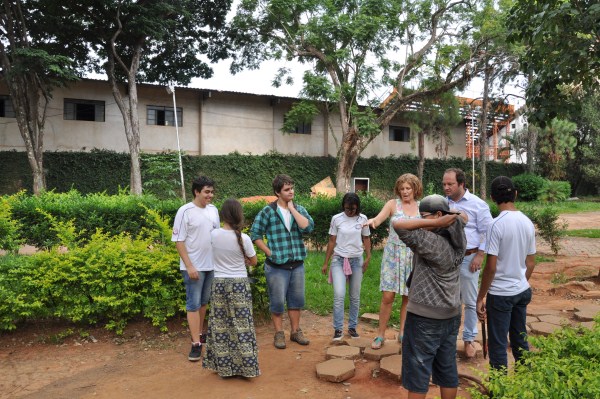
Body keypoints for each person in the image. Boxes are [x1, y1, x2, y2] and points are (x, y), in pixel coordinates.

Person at [393, 194, 467, 399]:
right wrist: (447, 218)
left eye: (424, 216)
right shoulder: (459, 237)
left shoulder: (430, 241)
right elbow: (464, 218)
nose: (421, 221)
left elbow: (398, 225)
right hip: (451, 315)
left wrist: (436, 221)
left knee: (418, 374)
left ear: (439, 216)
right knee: (447, 369)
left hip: (425, 319)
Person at [476, 176, 536, 372]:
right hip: (521, 291)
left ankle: (499, 388)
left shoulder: (495, 225)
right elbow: (531, 262)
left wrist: (481, 296)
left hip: (501, 295)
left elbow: (491, 267)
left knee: (498, 343)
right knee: (520, 338)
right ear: (515, 194)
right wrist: (519, 282)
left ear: (492, 197)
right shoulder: (527, 222)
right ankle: (525, 382)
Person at [250, 174, 315, 349]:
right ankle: (279, 334)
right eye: (287, 189)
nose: (291, 191)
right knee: (277, 301)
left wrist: (292, 210)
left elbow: (308, 227)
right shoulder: (268, 211)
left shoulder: (299, 209)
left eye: (292, 188)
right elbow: (255, 234)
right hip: (276, 266)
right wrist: (270, 252)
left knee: (296, 301)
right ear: (277, 192)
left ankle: (295, 332)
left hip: (297, 265)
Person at [203, 198, 260, 378]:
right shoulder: (244, 238)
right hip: (239, 285)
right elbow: (254, 261)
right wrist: (243, 260)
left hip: (219, 283)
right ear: (239, 215)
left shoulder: (213, 235)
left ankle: (224, 368)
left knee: (220, 325)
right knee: (242, 325)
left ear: (223, 215)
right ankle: (246, 367)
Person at [366, 173, 422, 349]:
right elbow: (379, 218)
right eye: (402, 189)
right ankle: (380, 335)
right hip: (392, 255)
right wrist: (372, 222)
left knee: (408, 296)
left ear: (415, 189)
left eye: (408, 188)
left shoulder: (422, 207)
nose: (405, 192)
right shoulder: (392, 204)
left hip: (412, 255)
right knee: (388, 296)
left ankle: (403, 332)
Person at [442, 168, 493, 358]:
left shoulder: (478, 205)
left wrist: (480, 255)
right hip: (446, 258)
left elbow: (488, 232)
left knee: (471, 301)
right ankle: (448, 339)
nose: (446, 188)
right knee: (448, 300)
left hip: (469, 258)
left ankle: (469, 339)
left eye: (450, 184)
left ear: (461, 184)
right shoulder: (442, 203)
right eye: (444, 184)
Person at [171, 176, 220, 362]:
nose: (211, 195)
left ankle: (199, 334)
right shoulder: (185, 211)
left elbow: (216, 236)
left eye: (212, 192)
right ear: (196, 191)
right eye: (207, 192)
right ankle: (195, 344)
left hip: (211, 266)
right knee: (193, 303)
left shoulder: (214, 210)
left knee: (203, 302)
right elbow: (178, 241)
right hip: (194, 268)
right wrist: (190, 266)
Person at [321, 193, 372, 340]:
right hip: (338, 260)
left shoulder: (363, 219)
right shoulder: (336, 219)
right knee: (339, 294)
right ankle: (338, 329)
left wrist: (368, 257)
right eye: (347, 208)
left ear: (358, 207)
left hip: (357, 260)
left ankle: (352, 327)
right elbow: (332, 240)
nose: (350, 211)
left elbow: (366, 238)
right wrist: (326, 262)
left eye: (353, 209)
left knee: (355, 296)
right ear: (343, 206)